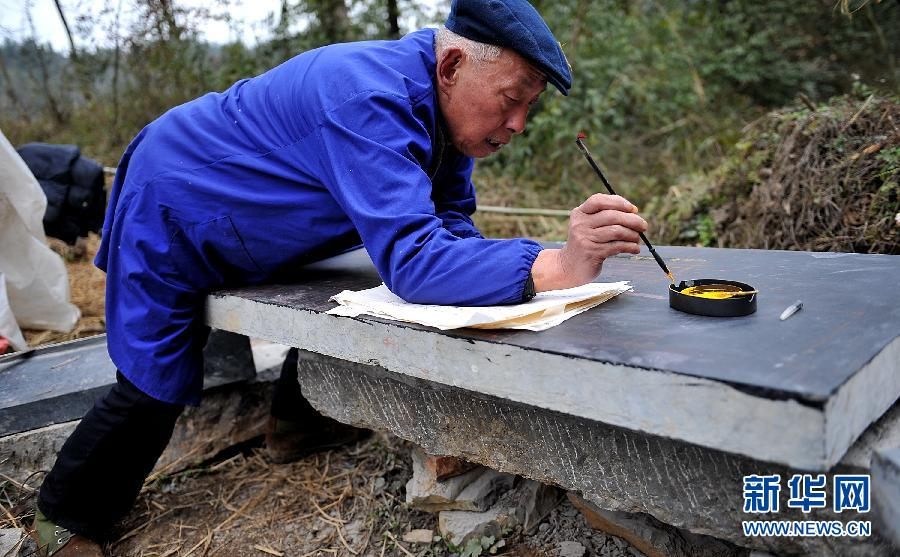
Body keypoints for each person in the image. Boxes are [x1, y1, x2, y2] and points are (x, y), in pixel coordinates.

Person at [30, 0, 648, 554]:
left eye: (528, 108)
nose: (517, 124)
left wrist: (519, 273)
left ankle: (295, 426)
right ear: (453, 65)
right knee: (153, 382)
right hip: (176, 201)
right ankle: (64, 519)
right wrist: (558, 265)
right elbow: (416, 261)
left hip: (263, 220)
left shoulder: (445, 115)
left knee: (336, 296)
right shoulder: (366, 97)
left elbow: (448, 224)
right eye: (510, 100)